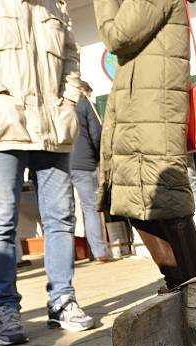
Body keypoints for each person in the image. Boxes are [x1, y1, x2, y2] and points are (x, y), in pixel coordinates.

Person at [0, 0, 94, 343]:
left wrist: (67, 102)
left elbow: (71, 57)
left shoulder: (54, 5)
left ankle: (62, 300)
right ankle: (6, 309)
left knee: (61, 218)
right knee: (1, 221)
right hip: (1, 127)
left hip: (53, 128)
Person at [94, 0, 196, 290]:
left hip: (152, 113)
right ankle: (178, 284)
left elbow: (118, 36)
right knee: (132, 202)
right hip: (138, 112)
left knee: (168, 203)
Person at [70, 80, 111, 262]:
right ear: (83, 90)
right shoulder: (85, 103)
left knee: (62, 211)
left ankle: (67, 256)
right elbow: (97, 134)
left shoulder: (56, 101)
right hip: (84, 162)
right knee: (90, 207)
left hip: (60, 162)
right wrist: (98, 158)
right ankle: (99, 251)